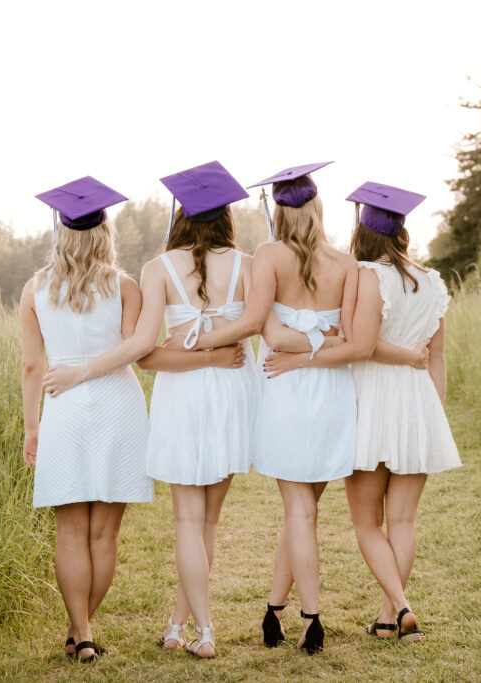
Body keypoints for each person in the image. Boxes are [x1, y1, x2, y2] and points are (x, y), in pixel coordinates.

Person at [43, 161, 258, 659]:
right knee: (208, 524)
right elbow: (256, 326)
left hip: (181, 395)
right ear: (227, 214)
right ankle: (181, 625)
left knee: (188, 520)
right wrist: (218, 352)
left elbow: (145, 354)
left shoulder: (157, 269)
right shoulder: (248, 265)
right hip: (231, 392)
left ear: (180, 214)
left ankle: (196, 628)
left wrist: (193, 350)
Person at [263, 181, 461, 644]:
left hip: (372, 405)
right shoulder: (432, 281)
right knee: (405, 521)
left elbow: (360, 344)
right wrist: (434, 414)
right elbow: (437, 357)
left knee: (366, 522)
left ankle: (403, 606)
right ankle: (388, 617)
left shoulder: (368, 275)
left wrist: (297, 356)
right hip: (419, 406)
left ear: (362, 229)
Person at [188, 162, 354, 655]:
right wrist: (320, 338)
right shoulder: (347, 265)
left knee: (300, 512)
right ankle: (274, 611)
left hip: (284, 386)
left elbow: (260, 325)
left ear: (279, 213)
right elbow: (346, 334)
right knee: (304, 512)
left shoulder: (268, 255)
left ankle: (312, 620)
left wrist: (201, 340)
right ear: (318, 209)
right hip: (332, 391)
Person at [20, 177, 154, 662]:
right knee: (105, 534)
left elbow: (33, 366)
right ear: (104, 233)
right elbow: (131, 349)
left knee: (70, 531)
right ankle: (84, 632)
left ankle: (82, 631)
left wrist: (32, 427)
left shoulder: (35, 289)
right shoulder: (125, 286)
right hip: (117, 403)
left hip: (63, 409)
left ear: (60, 232)